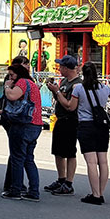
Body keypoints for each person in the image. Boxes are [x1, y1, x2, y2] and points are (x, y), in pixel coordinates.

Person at [54, 61, 110, 205]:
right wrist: (108, 113)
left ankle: (95, 194)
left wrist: (57, 93)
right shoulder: (104, 88)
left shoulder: (78, 89)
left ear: (83, 73)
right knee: (103, 161)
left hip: (86, 126)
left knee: (91, 162)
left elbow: (70, 107)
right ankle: (101, 192)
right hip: (102, 126)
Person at [0, 63, 43, 202]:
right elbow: (22, 104)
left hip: (23, 125)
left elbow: (12, 96)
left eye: (12, 75)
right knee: (28, 159)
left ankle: (16, 190)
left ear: (18, 74)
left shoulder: (22, 82)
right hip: (35, 125)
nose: (10, 78)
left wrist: (7, 86)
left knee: (17, 159)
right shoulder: (31, 83)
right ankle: (34, 192)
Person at [44, 55, 81, 196]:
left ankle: (69, 183)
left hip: (71, 120)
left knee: (70, 152)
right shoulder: (65, 81)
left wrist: (57, 91)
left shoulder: (77, 84)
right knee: (58, 151)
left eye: (61, 66)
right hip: (60, 119)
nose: (59, 69)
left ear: (67, 68)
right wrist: (54, 91)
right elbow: (60, 99)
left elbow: (69, 105)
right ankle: (61, 179)